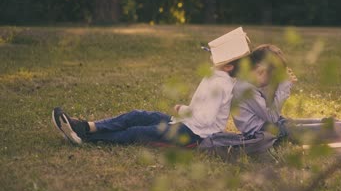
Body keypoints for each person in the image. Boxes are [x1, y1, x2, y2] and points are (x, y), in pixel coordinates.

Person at [52, 28, 250, 147]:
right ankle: (86, 127)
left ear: (229, 66)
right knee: (136, 115)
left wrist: (184, 109)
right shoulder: (216, 75)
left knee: (137, 132)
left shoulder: (221, 84)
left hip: (193, 135)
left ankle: (84, 137)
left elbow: (205, 119)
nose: (212, 55)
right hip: (183, 123)